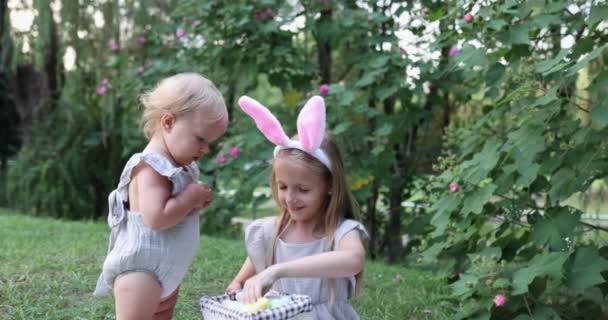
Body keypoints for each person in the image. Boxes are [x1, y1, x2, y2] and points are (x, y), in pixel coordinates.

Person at [93, 72, 228, 319]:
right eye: (200, 138)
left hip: (166, 270)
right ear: (168, 122)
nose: (205, 148)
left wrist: (194, 202)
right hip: (141, 273)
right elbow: (156, 218)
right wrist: (189, 198)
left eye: (210, 142)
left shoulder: (179, 167)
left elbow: (175, 210)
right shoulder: (150, 167)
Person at [226, 95, 368, 319]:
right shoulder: (270, 233)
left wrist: (277, 271)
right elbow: (240, 282)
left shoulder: (342, 232)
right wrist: (238, 289)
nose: (290, 198)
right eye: (283, 187)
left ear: (330, 184)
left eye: (303, 189)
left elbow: (354, 260)